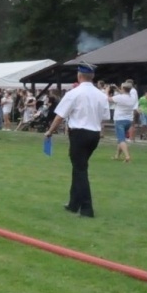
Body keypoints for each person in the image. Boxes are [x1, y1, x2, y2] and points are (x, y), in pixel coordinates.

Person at [45, 63, 106, 217]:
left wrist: (50, 131)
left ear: (79, 76)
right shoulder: (101, 95)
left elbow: (60, 116)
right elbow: (104, 117)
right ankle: (74, 203)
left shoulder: (74, 93)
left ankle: (86, 208)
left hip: (79, 133)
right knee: (79, 167)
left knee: (80, 170)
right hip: (94, 134)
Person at [111, 79, 137, 163]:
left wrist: (107, 90)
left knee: (121, 139)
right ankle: (117, 155)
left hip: (119, 120)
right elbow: (124, 93)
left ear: (123, 88)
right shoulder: (132, 97)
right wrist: (118, 90)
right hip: (128, 120)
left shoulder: (120, 97)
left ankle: (127, 156)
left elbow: (108, 99)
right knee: (121, 139)